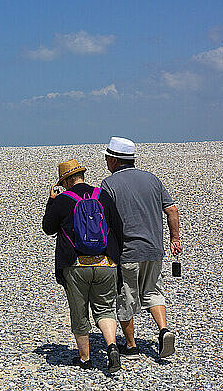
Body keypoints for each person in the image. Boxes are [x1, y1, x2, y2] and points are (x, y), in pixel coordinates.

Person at [100, 137, 183, 360]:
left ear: (115, 160)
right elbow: (172, 210)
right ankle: (164, 330)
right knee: (154, 292)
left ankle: (131, 346)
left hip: (128, 251)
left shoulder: (109, 184)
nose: (106, 161)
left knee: (126, 298)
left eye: (107, 157)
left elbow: (104, 219)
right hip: (154, 250)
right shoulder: (153, 180)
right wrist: (175, 239)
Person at [42, 159, 124, 373]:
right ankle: (112, 346)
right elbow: (118, 227)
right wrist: (116, 257)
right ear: (82, 176)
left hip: (75, 265)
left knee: (79, 313)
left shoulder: (63, 200)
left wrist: (52, 201)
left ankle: (85, 359)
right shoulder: (101, 195)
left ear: (66, 181)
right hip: (105, 263)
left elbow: (48, 228)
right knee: (105, 309)